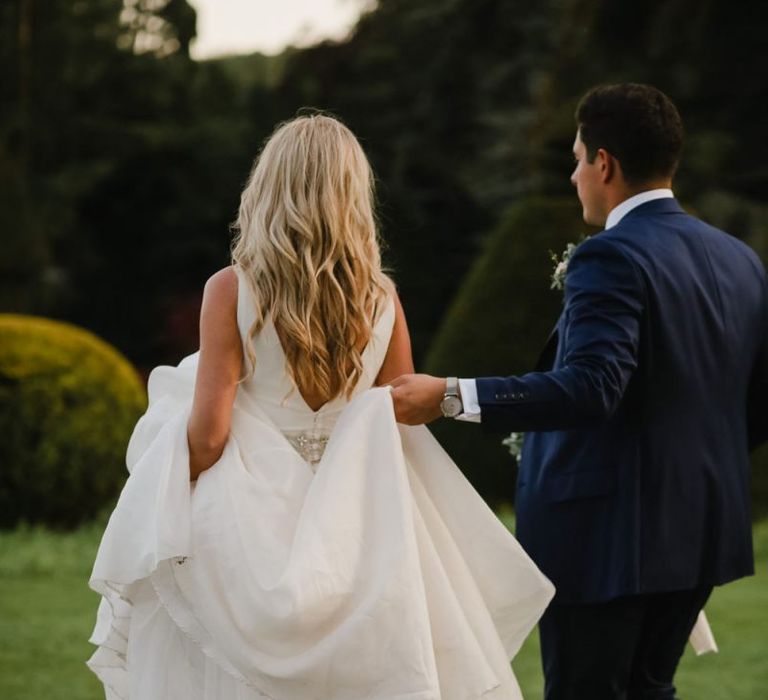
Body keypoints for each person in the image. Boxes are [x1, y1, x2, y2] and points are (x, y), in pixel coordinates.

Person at [87, 114, 554, 700]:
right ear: (353, 195)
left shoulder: (231, 289)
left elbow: (208, 434)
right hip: (360, 516)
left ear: (268, 188)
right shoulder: (381, 296)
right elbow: (402, 406)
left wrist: (172, 494)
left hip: (246, 510)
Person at [390, 84, 768, 699]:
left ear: (605, 164)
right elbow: (755, 400)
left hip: (607, 540)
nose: (573, 176)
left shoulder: (610, 257)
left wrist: (449, 396)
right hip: (701, 528)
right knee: (649, 691)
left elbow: (592, 388)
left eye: (576, 158)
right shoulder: (739, 260)